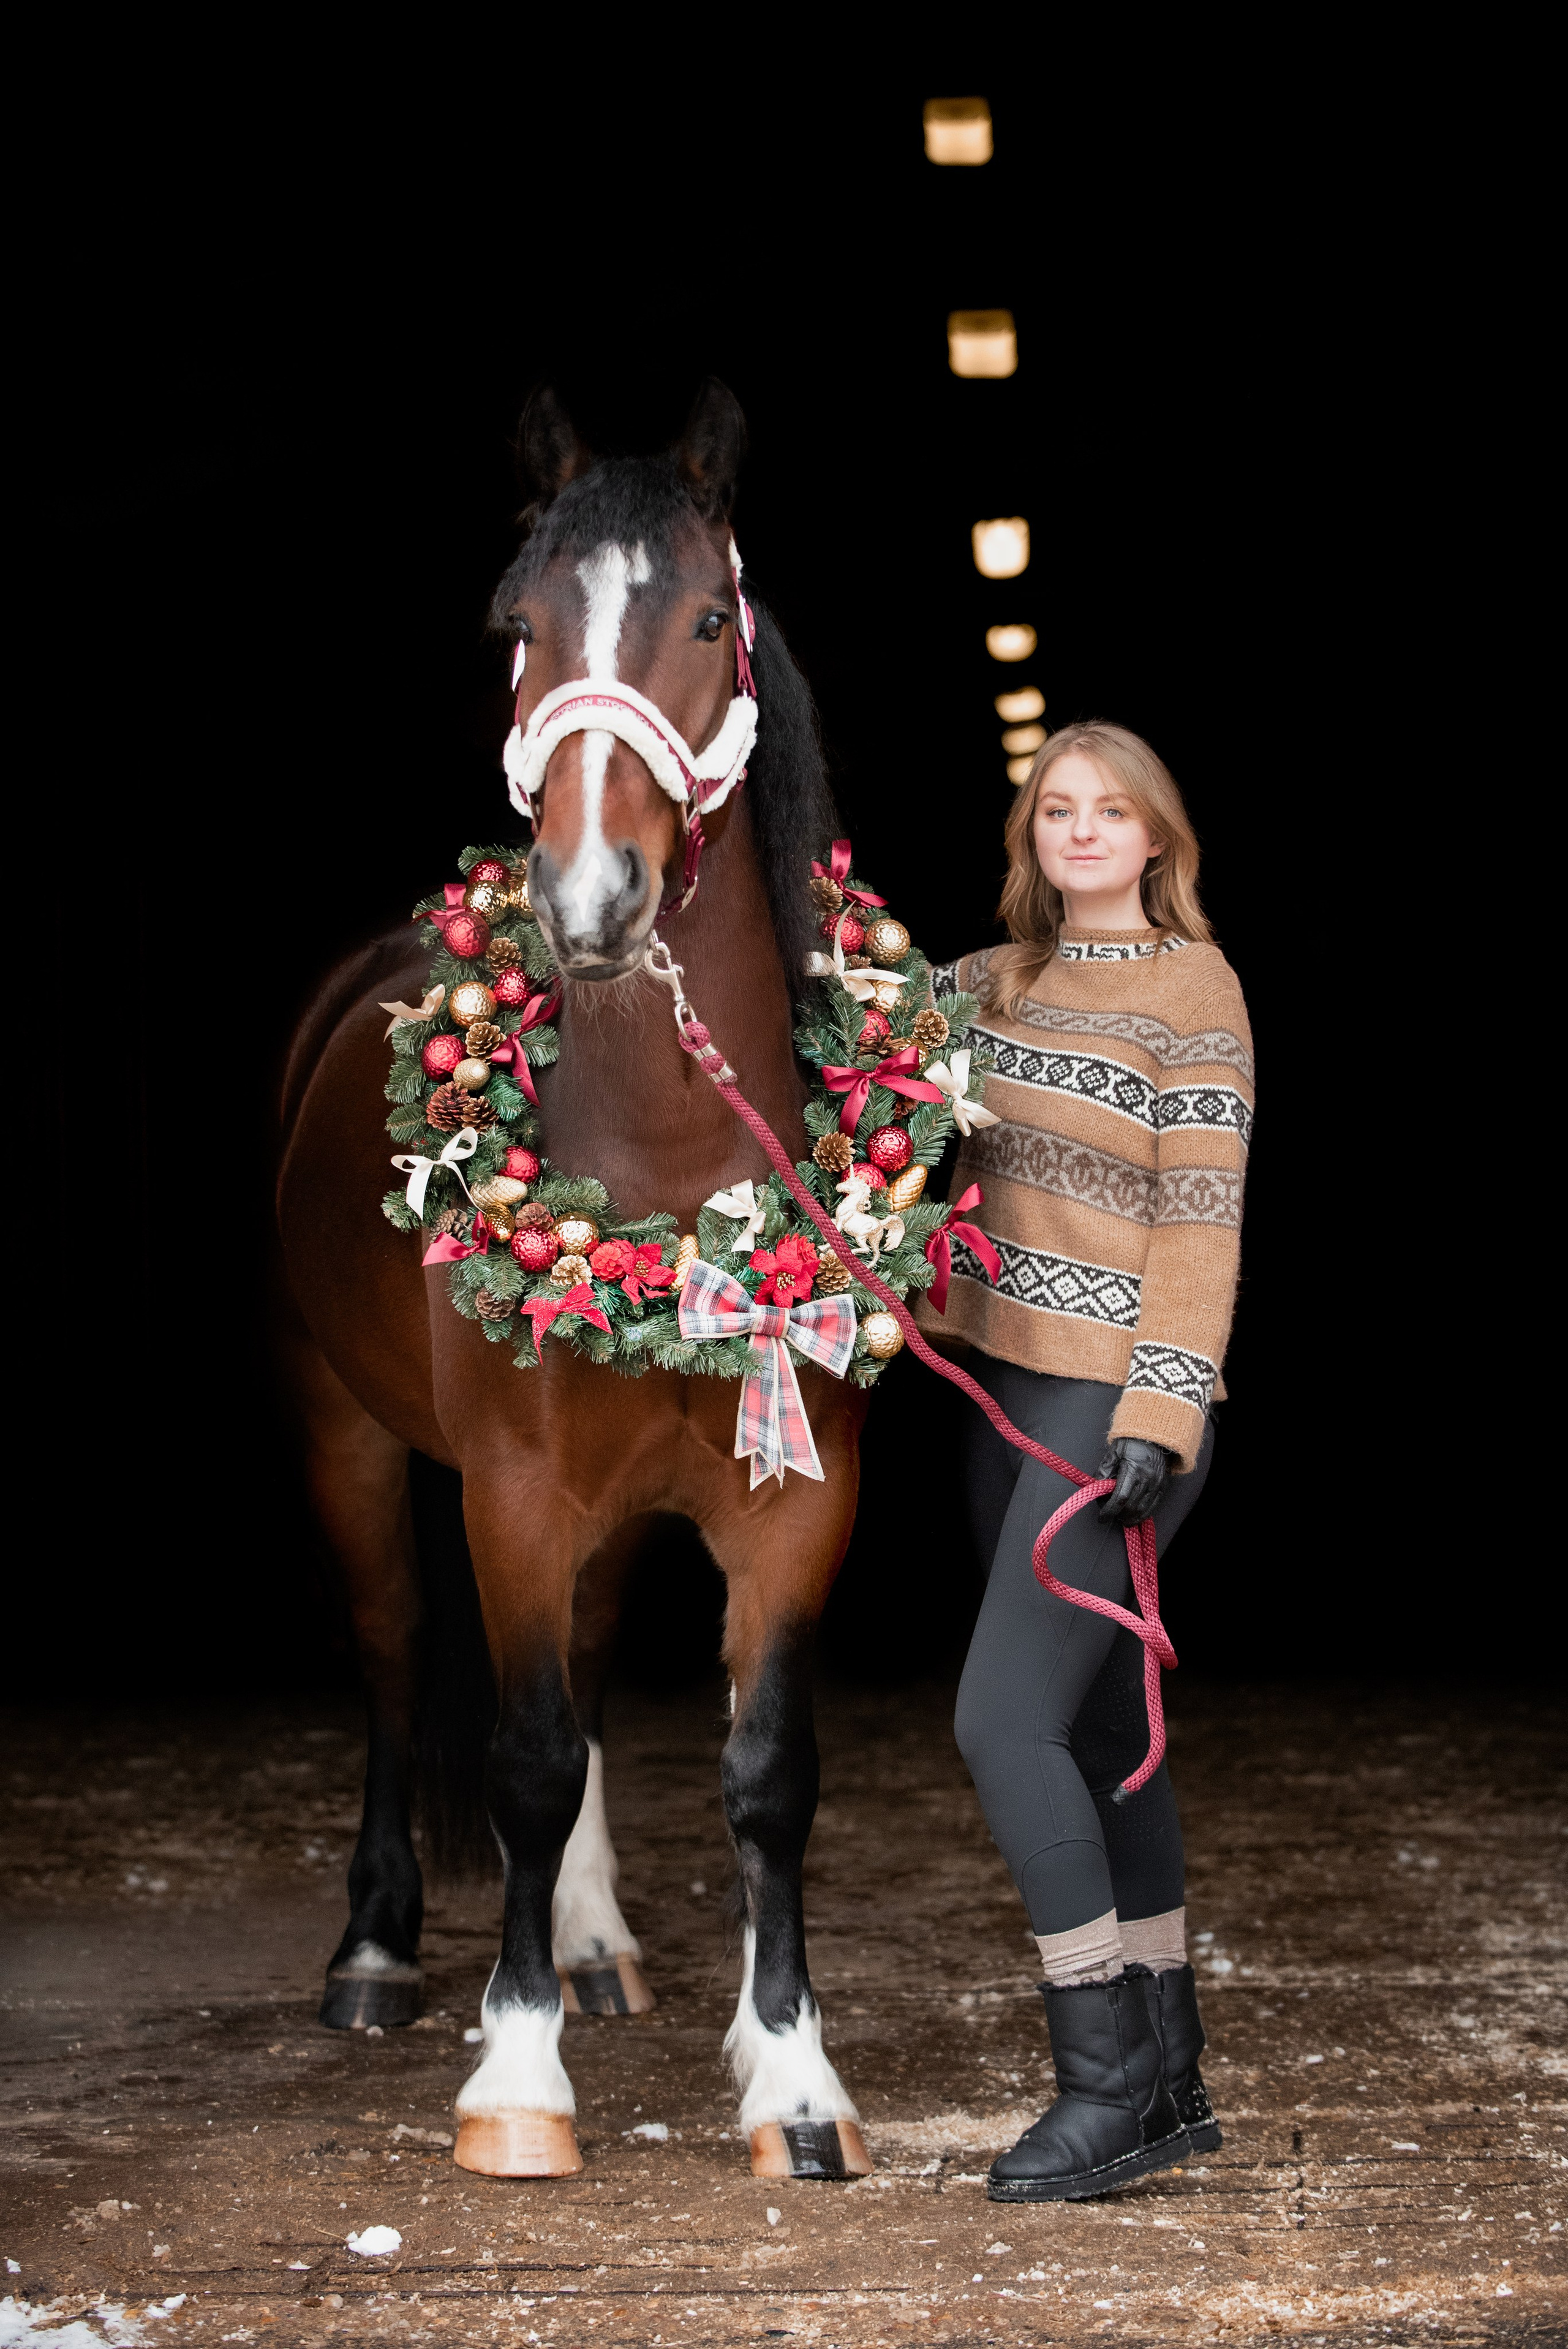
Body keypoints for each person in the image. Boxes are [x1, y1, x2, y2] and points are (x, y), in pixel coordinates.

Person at [921, 720, 1253, 2203]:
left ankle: (1102, 2086)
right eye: (1055, 809)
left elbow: (1200, 1220)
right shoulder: (987, 983)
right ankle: (1170, 2070)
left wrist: (1161, 1412)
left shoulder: (1197, 990)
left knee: (1002, 1722)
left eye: (1108, 811)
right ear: (1028, 837)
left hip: (1116, 1409)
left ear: (1155, 839)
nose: (1079, 830)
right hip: (1004, 1395)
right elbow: (831, 1035)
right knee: (1108, 1726)